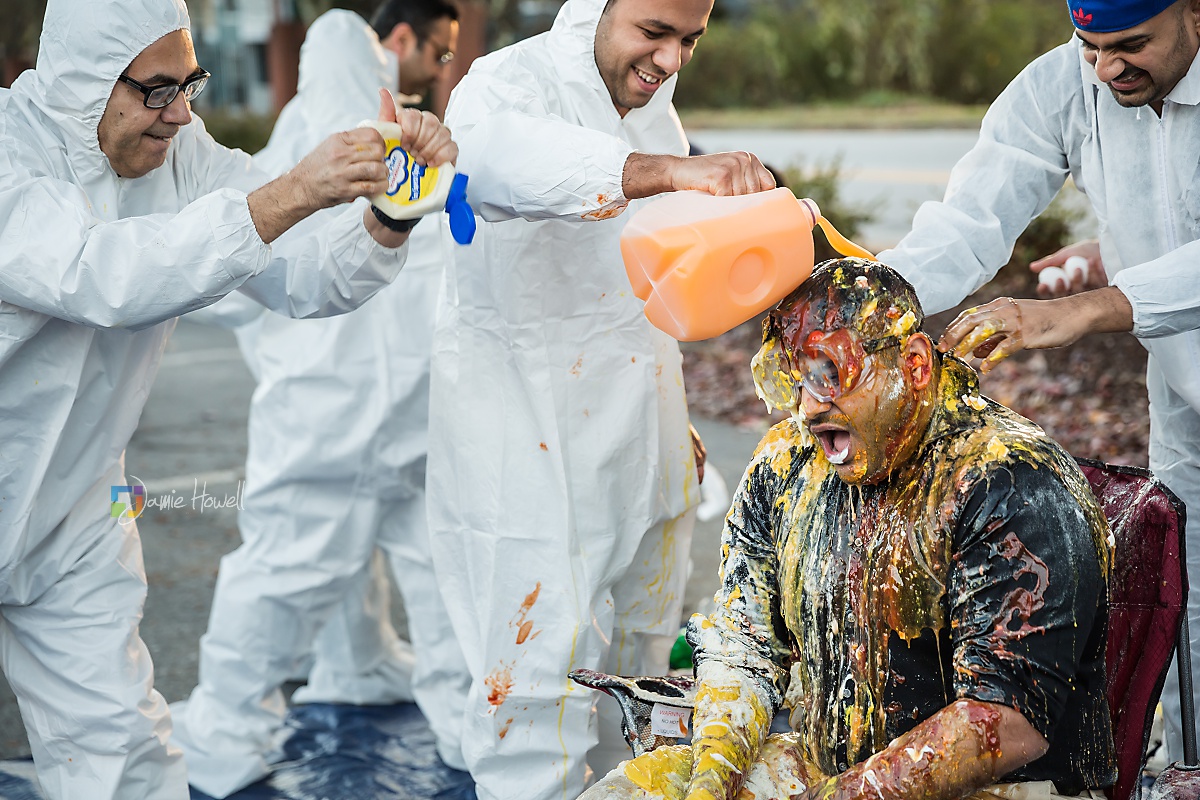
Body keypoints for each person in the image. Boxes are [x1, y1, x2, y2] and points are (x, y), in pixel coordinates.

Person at [0, 0, 457, 796]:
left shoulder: (179, 155)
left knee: (123, 756)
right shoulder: (9, 154)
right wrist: (294, 191)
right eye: (156, 91)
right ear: (83, 82)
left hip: (70, 513)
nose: (180, 112)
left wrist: (389, 214)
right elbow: (100, 274)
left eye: (191, 84)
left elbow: (302, 272)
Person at [582, 259, 1115, 800]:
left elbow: (1006, 723)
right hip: (826, 772)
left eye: (830, 373)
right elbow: (745, 645)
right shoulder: (786, 464)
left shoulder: (1008, 481)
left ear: (913, 366)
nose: (810, 408)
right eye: (793, 376)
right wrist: (713, 774)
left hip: (1002, 787)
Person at [425, 0, 777, 798]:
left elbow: (650, 282)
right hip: (526, 433)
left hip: (637, 419)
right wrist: (673, 172)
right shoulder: (506, 84)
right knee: (534, 675)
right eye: (654, 33)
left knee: (644, 666)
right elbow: (501, 163)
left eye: (690, 40)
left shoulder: (655, 114)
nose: (671, 60)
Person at [870, 0, 1200, 761]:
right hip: (1182, 395)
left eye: (1131, 45)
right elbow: (970, 216)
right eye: (1090, 47)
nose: (1108, 68)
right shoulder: (1067, 85)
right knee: (1184, 620)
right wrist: (877, 302)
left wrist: (1084, 309)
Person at [171, 3, 472, 797]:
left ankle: (332, 679)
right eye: (434, 51)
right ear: (389, 49)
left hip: (346, 408)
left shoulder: (309, 140)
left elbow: (237, 286)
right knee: (342, 568)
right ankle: (233, 732)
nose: (438, 66)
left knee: (312, 566)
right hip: (363, 408)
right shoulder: (366, 145)